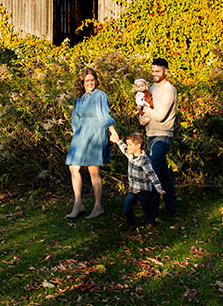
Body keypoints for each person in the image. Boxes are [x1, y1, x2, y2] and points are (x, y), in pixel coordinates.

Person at [65, 67, 117, 219]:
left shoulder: (100, 96)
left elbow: (104, 116)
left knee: (93, 170)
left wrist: (113, 131)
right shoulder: (79, 98)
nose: (90, 83)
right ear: (82, 82)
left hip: (95, 133)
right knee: (73, 167)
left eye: (92, 80)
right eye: (87, 81)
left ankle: (98, 206)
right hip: (80, 134)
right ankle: (78, 204)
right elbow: (75, 118)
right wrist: (77, 133)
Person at [139, 57, 179, 216]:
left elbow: (161, 115)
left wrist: (146, 111)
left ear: (165, 71)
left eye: (157, 71)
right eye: (152, 71)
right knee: (162, 174)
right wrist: (141, 118)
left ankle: (150, 213)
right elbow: (145, 108)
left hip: (162, 136)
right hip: (150, 134)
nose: (154, 74)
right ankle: (172, 208)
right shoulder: (152, 88)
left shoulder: (169, 90)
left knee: (151, 174)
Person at [110, 130, 165, 230]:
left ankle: (151, 221)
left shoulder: (144, 161)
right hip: (133, 189)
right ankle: (132, 224)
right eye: (128, 144)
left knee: (146, 208)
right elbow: (123, 148)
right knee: (127, 208)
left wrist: (158, 187)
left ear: (138, 146)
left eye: (130, 145)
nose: (128, 147)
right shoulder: (130, 154)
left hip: (143, 190)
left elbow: (152, 174)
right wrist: (117, 141)